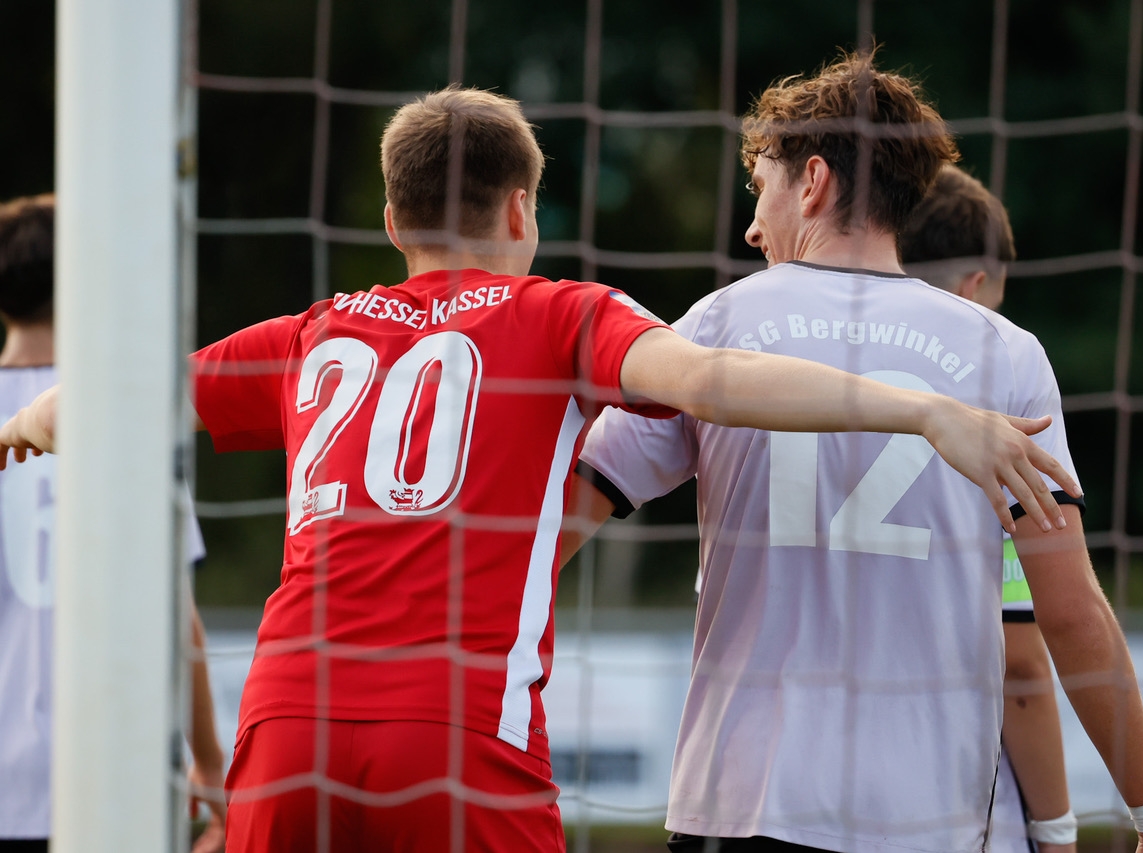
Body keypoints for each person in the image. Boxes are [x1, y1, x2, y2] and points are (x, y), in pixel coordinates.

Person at [0, 87, 1078, 853]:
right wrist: (923, 409)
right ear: (523, 211)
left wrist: (34, 420)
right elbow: (709, 382)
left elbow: (101, 401)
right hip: (457, 732)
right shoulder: (558, 312)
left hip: (288, 727)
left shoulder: (310, 330)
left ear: (391, 220)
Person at [566, 50, 1143, 853]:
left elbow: (560, 518)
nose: (752, 225)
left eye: (760, 186)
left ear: (813, 182)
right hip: (927, 815)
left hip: (741, 801)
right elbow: (1070, 615)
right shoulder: (1005, 352)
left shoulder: (715, 329)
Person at [0, 194, 227, 853]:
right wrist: (210, 761)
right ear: (87, 280)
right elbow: (174, 610)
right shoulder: (121, 409)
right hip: (113, 778)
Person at [900, 164, 1075, 853]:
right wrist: (1057, 832)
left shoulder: (803, 388)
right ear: (977, 285)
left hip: (782, 803)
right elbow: (1021, 665)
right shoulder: (998, 423)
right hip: (952, 807)